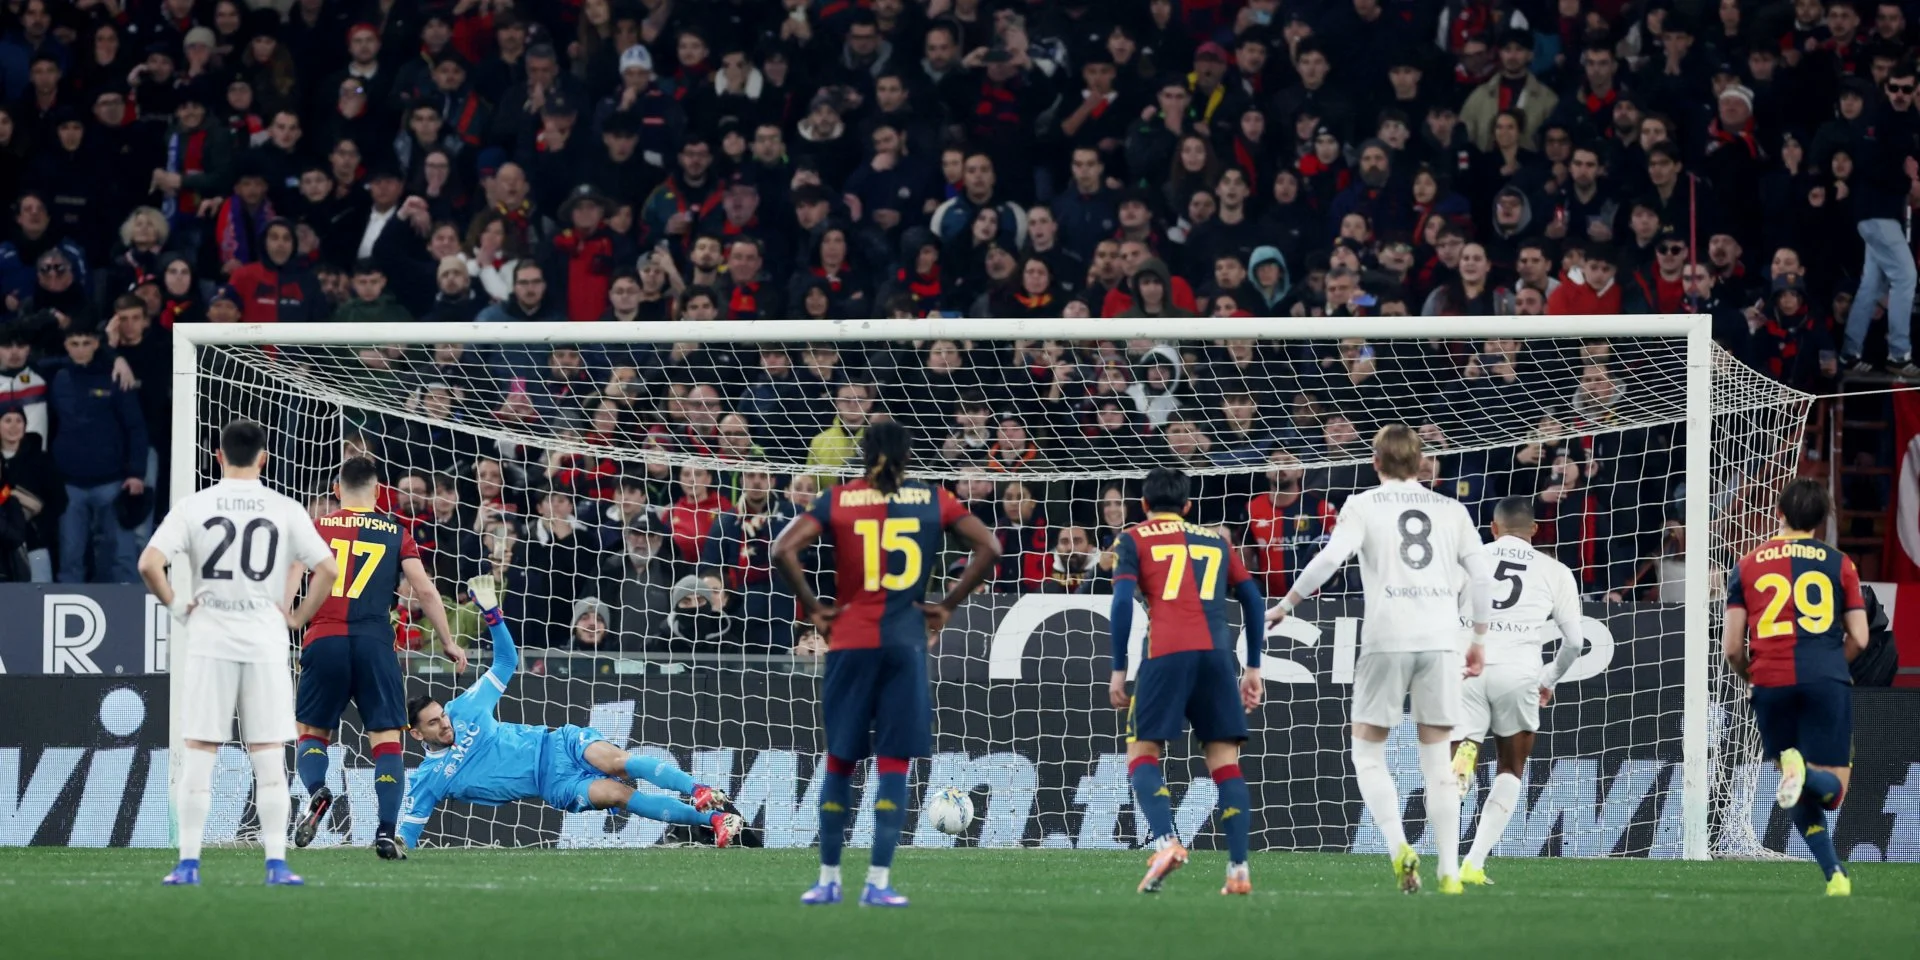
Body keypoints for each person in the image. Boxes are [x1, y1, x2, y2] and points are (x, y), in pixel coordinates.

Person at [772, 419, 1000, 908]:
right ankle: (878, 882)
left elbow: (782, 549)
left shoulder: (838, 499)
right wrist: (947, 604)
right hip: (904, 643)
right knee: (893, 761)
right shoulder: (934, 499)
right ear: (907, 456)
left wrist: (815, 609)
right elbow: (990, 547)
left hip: (851, 642)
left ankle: (828, 880)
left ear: (863, 454)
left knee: (840, 760)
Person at [1267, 425, 1492, 895]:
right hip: (1440, 642)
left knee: (1368, 752)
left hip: (1386, 638)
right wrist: (1478, 636)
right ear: (1420, 462)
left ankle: (1397, 846)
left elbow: (1329, 560)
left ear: (1375, 463)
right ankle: (1449, 873)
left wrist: (1287, 603)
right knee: (1438, 762)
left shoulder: (1363, 503)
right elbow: (1481, 574)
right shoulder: (1452, 509)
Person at [399, 575, 745, 850]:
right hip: (554, 784)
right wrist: (394, 845)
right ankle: (715, 820)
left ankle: (698, 789)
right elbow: (408, 832)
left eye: (442, 715)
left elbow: (506, 660)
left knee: (617, 761)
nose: (445, 724)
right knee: (618, 795)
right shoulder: (429, 777)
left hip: (557, 744)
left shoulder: (464, 709)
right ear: (416, 734)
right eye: (434, 723)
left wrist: (492, 613)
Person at [137, 420, 339, 886]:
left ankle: (188, 864)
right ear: (264, 458)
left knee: (200, 751)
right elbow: (327, 569)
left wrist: (177, 607)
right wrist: (297, 615)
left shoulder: (195, 505)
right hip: (265, 640)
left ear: (218, 456)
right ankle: (276, 864)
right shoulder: (285, 508)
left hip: (210, 637)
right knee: (267, 755)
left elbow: (149, 562)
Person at [291, 456, 468, 860]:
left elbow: (293, 575)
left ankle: (317, 791)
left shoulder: (315, 527)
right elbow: (424, 590)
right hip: (375, 642)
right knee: (387, 740)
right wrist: (447, 641)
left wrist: (285, 617)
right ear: (377, 491)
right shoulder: (396, 532)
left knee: (312, 731)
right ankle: (386, 832)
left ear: (336, 490)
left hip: (324, 638)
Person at [1108, 467, 1266, 896]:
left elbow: (1121, 602)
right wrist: (1253, 667)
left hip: (1166, 654)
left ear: (1143, 505)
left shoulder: (1133, 538)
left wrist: (1119, 667)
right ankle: (1238, 872)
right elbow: (1253, 599)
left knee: (1142, 752)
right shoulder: (1216, 540)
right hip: (1216, 657)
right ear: (1188, 506)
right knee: (1225, 763)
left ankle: (1167, 843)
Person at [1722, 479, 1870, 896]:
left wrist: (1753, 677)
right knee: (1833, 793)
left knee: (1794, 784)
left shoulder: (1747, 564)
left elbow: (1732, 647)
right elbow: (1860, 638)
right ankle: (1804, 776)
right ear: (1821, 520)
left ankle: (1835, 874)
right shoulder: (1839, 563)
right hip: (1826, 679)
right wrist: (1830, 668)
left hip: (1771, 683)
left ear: (1779, 513)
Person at [1448, 497, 1587, 885]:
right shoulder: (1555, 570)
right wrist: (1548, 680)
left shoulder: (1467, 559)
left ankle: (1463, 762)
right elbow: (1576, 642)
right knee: (1510, 768)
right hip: (1519, 673)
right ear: (1535, 530)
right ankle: (1474, 863)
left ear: (1492, 529)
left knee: (1462, 747)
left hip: (1467, 667)